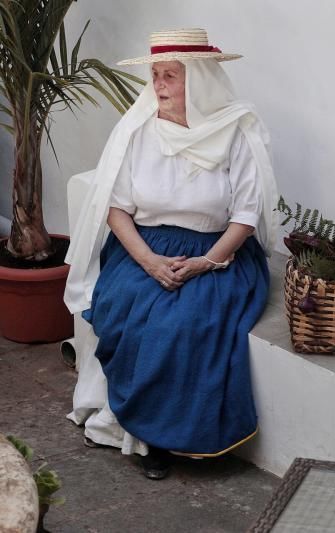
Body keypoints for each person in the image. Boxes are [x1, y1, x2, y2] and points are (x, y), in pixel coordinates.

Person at [64, 28, 279, 480]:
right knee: (125, 310)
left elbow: (244, 217)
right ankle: (145, 432)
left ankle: (168, 438)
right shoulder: (137, 132)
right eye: (156, 76)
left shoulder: (238, 133)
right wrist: (148, 261)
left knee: (189, 324)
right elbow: (117, 208)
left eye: (170, 77)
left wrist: (206, 262)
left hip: (218, 252)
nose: (158, 87)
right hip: (144, 246)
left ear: (198, 81)